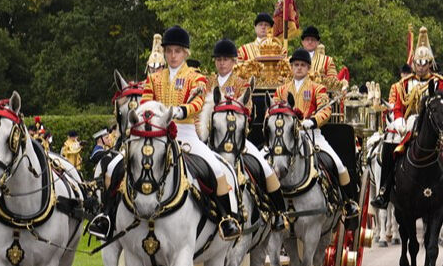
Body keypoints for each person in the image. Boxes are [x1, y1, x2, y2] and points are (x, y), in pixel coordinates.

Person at [141, 26, 241, 239]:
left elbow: (197, 102)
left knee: (217, 168)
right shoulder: (154, 78)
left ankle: (226, 218)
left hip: (185, 134)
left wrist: (180, 110)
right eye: (169, 51)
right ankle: (110, 216)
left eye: (177, 51)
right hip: (156, 134)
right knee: (120, 164)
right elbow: (145, 102)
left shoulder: (196, 78)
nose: (172, 55)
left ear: (186, 53)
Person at [207, 37, 287, 230]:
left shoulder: (243, 84)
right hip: (211, 137)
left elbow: (249, 110)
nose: (222, 63)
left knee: (265, 168)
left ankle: (277, 212)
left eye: (226, 59)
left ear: (234, 62)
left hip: (237, 140)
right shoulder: (206, 83)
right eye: (218, 59)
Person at [276, 48, 359, 221]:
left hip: (312, 134)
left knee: (338, 165)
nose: (299, 68)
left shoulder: (317, 88)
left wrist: (312, 121)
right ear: (291, 67)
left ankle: (347, 202)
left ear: (308, 68)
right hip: (286, 137)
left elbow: (326, 110)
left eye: (302, 65)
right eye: (296, 65)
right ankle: (271, 207)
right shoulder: (281, 90)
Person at [373, 27, 443, 208]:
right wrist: (399, 121)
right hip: (408, 125)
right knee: (389, 145)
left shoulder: (440, 82)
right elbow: (398, 107)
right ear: (414, 63)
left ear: (430, 63)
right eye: (418, 63)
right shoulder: (403, 84)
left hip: (433, 126)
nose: (421, 67)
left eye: (425, 64)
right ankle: (384, 190)